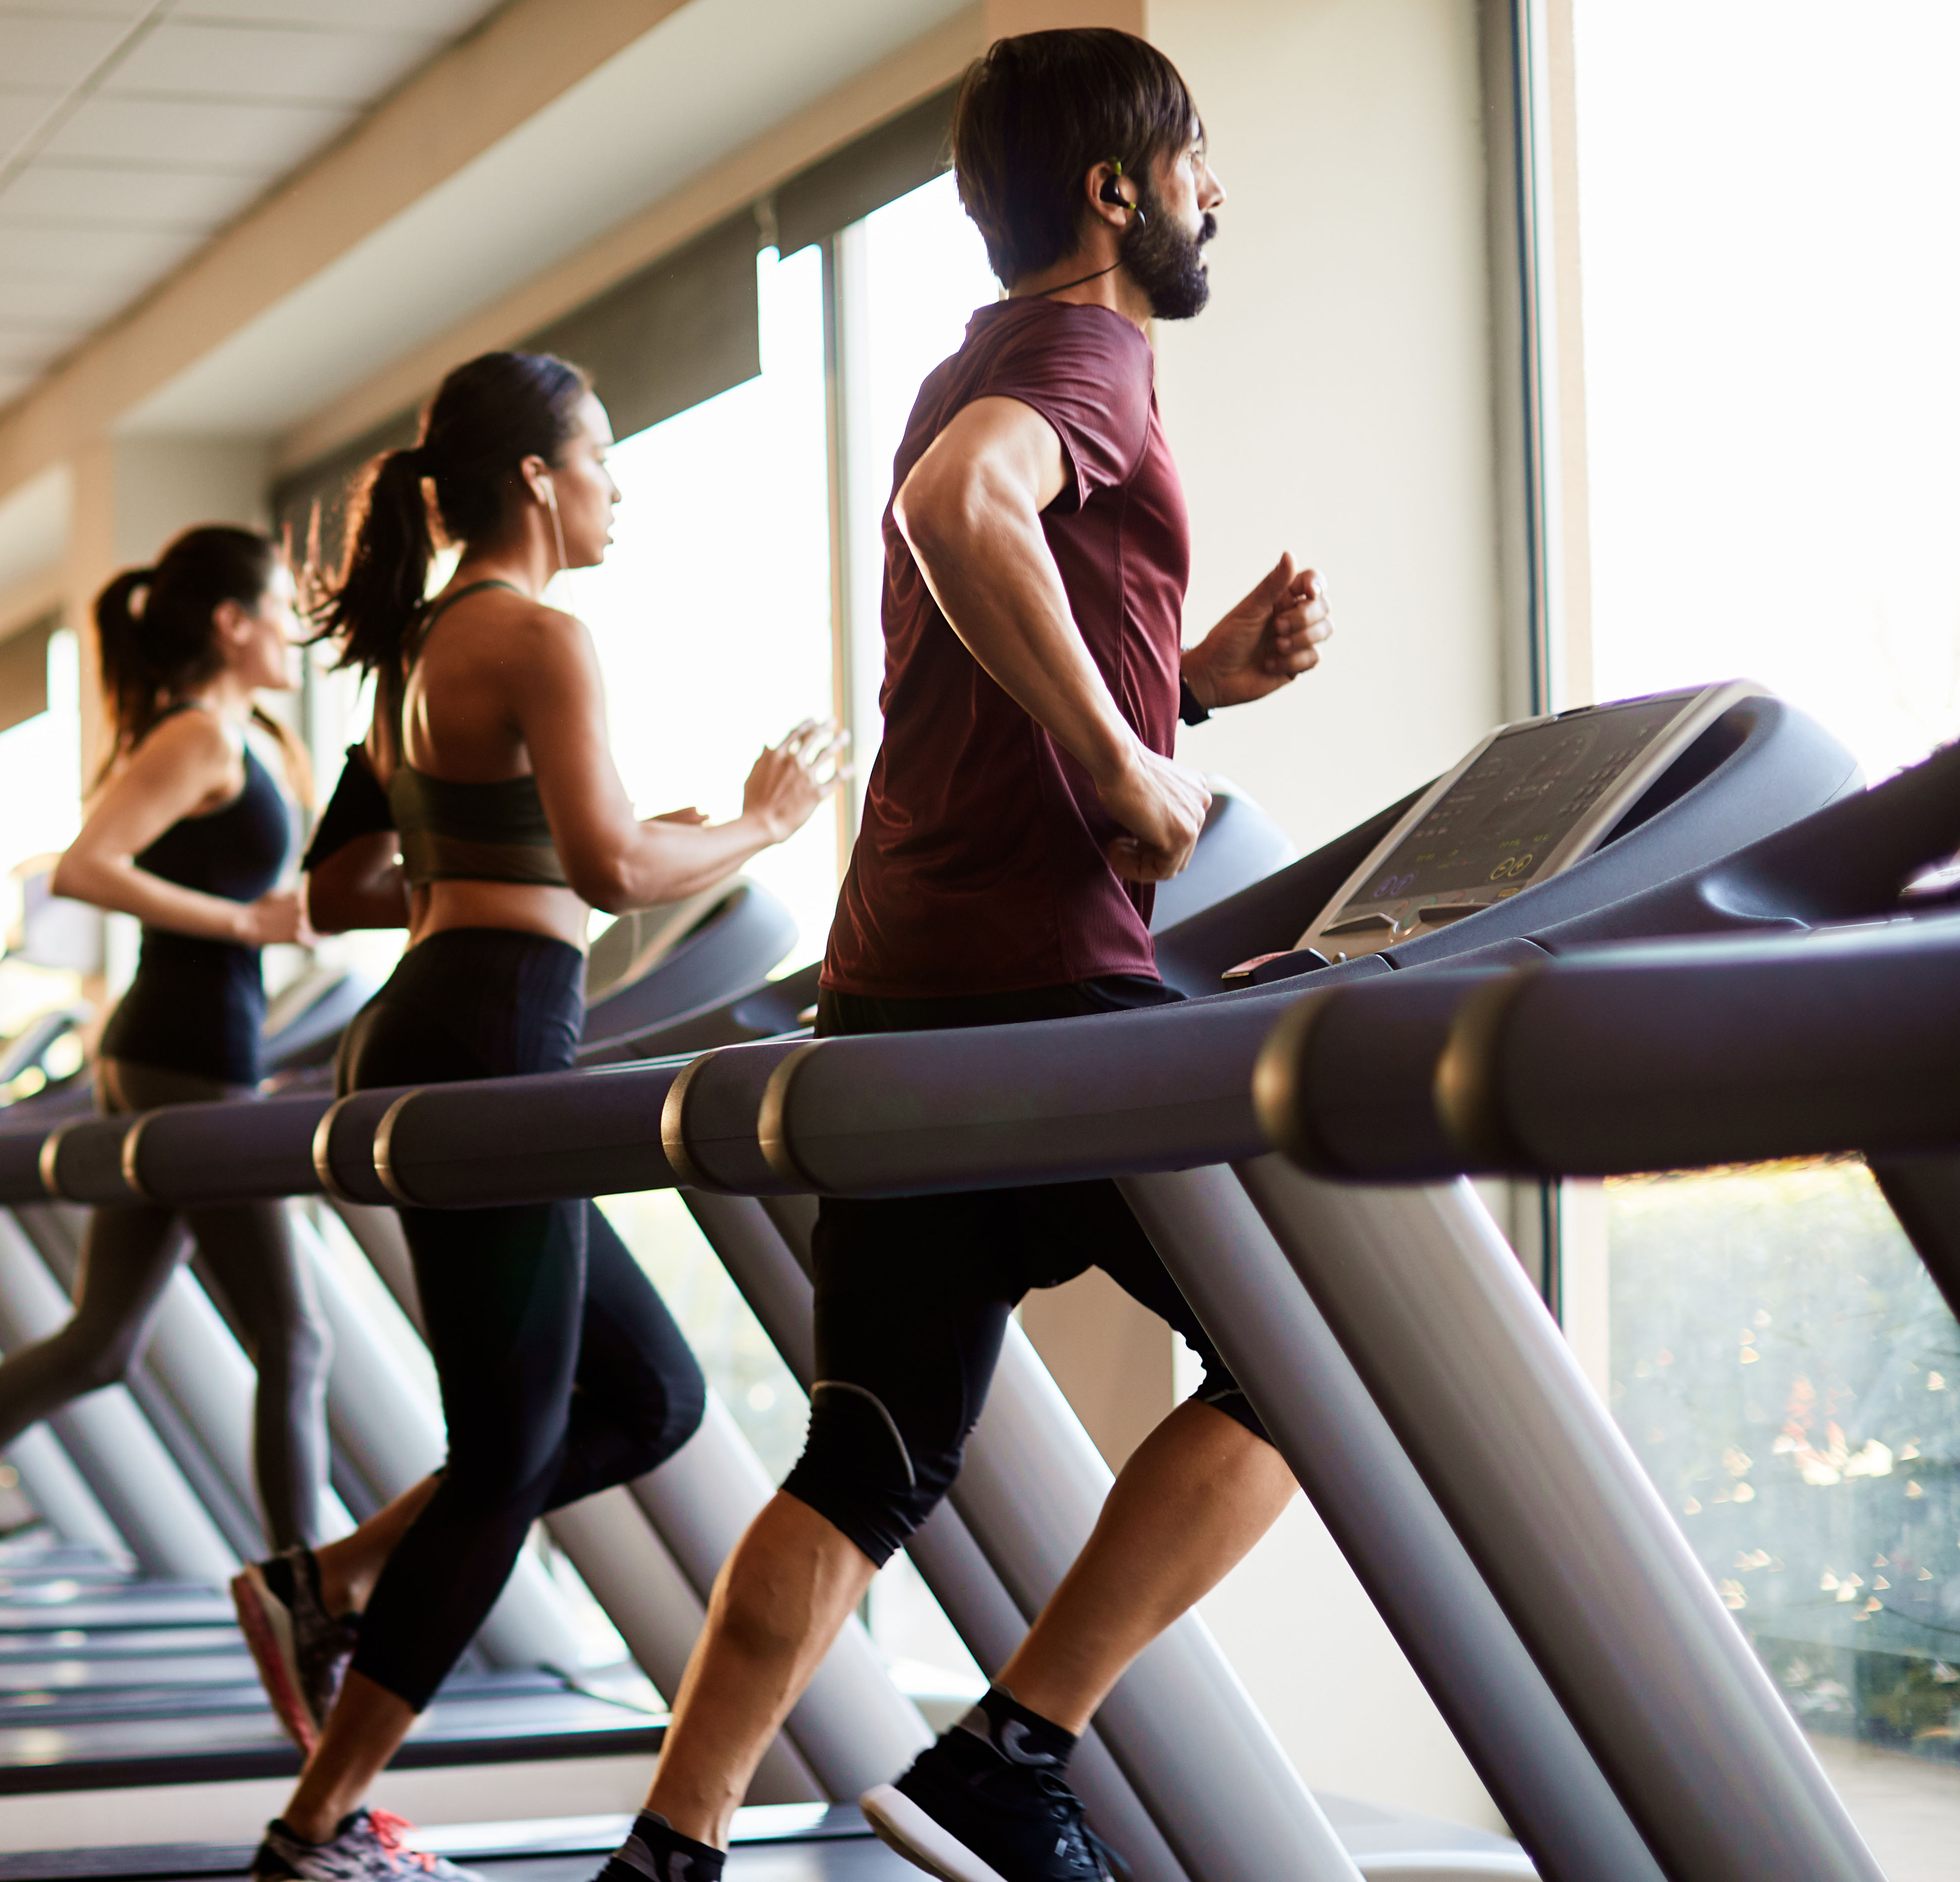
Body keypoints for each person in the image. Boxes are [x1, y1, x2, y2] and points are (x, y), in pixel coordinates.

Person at [587, 30, 1333, 1882]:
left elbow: (979, 647)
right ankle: (1014, 1747)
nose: (1213, 194)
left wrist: (1190, 690)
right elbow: (959, 518)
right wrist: (1128, 769)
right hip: (1042, 1001)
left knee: (864, 1454)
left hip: (901, 990)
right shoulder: (1084, 355)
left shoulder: (970, 363)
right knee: (1311, 1362)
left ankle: (667, 1854)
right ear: (1116, 191)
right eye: (1195, 163)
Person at [244, 350, 840, 1882]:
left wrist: (467, 863)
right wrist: (764, 819)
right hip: (499, 1027)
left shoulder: (414, 651)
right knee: (506, 1453)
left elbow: (337, 889)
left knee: (644, 1398)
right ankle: (315, 1823)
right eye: (600, 455)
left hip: (437, 1018)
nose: (616, 485)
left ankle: (333, 1577)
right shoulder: (539, 638)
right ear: (534, 478)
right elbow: (608, 866)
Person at [0, 524, 359, 1688]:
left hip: (199, 1058)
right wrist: (245, 923)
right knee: (294, 1338)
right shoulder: (197, 735)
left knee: (102, 1344)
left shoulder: (256, 738)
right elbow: (89, 867)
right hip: (182, 1060)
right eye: (278, 606)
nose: (296, 625)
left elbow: (235, 887)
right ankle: (301, 1607)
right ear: (231, 625)